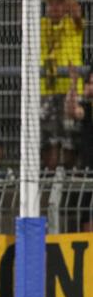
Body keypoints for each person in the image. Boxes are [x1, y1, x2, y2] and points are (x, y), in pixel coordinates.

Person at [40, 0, 84, 171]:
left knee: (70, 138)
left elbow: (76, 13)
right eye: (51, 4)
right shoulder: (41, 25)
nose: (55, 7)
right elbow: (24, 22)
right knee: (49, 139)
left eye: (59, 3)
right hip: (46, 90)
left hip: (70, 89)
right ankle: (48, 184)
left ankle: (67, 182)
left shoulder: (73, 24)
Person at [63, 65, 93, 232]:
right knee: (87, 214)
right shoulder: (87, 108)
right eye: (89, 82)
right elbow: (71, 110)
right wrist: (73, 83)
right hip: (89, 171)